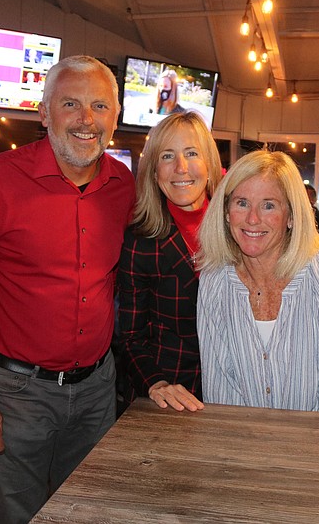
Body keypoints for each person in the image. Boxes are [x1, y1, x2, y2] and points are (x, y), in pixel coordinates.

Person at [0, 55, 135, 524]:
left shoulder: (125, 187)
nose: (86, 120)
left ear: (115, 119)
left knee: (91, 513)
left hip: (99, 389)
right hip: (15, 394)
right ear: (43, 112)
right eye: (71, 104)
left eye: (99, 106)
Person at [196, 150, 319, 414]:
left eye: (268, 205)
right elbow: (220, 392)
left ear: (291, 216)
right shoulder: (214, 280)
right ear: (225, 212)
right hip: (243, 444)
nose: (252, 219)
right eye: (242, 203)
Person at [117, 111, 222, 413]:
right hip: (171, 397)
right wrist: (156, 383)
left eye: (192, 153)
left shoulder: (238, 228)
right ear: (153, 171)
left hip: (237, 391)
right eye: (167, 156)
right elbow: (131, 339)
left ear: (210, 165)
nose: (181, 168)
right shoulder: (140, 242)